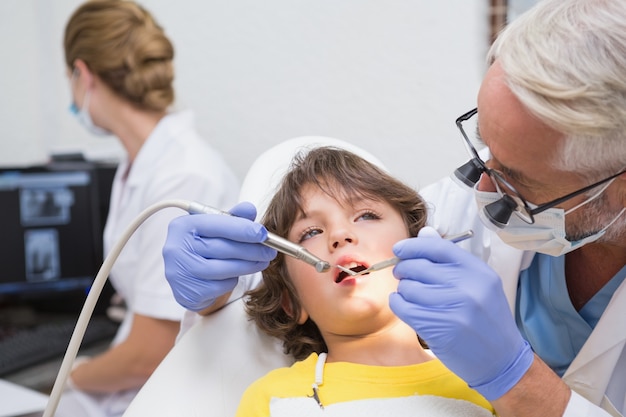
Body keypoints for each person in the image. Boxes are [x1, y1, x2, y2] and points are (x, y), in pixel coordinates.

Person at [161, 1, 626, 416]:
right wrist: (221, 285)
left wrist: (515, 380)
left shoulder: (472, 396)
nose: (481, 186)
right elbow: (294, 273)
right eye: (483, 149)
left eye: (517, 180)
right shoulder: (279, 396)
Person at [59, 1, 239, 415]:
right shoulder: (142, 161)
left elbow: (149, 353)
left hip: (175, 387)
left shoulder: (182, 175)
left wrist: (71, 376)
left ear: (82, 75)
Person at [235, 146, 494, 416]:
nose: (339, 234)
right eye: (311, 232)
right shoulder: (274, 399)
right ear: (291, 302)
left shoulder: (488, 386)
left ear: (421, 253)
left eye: (366, 215)